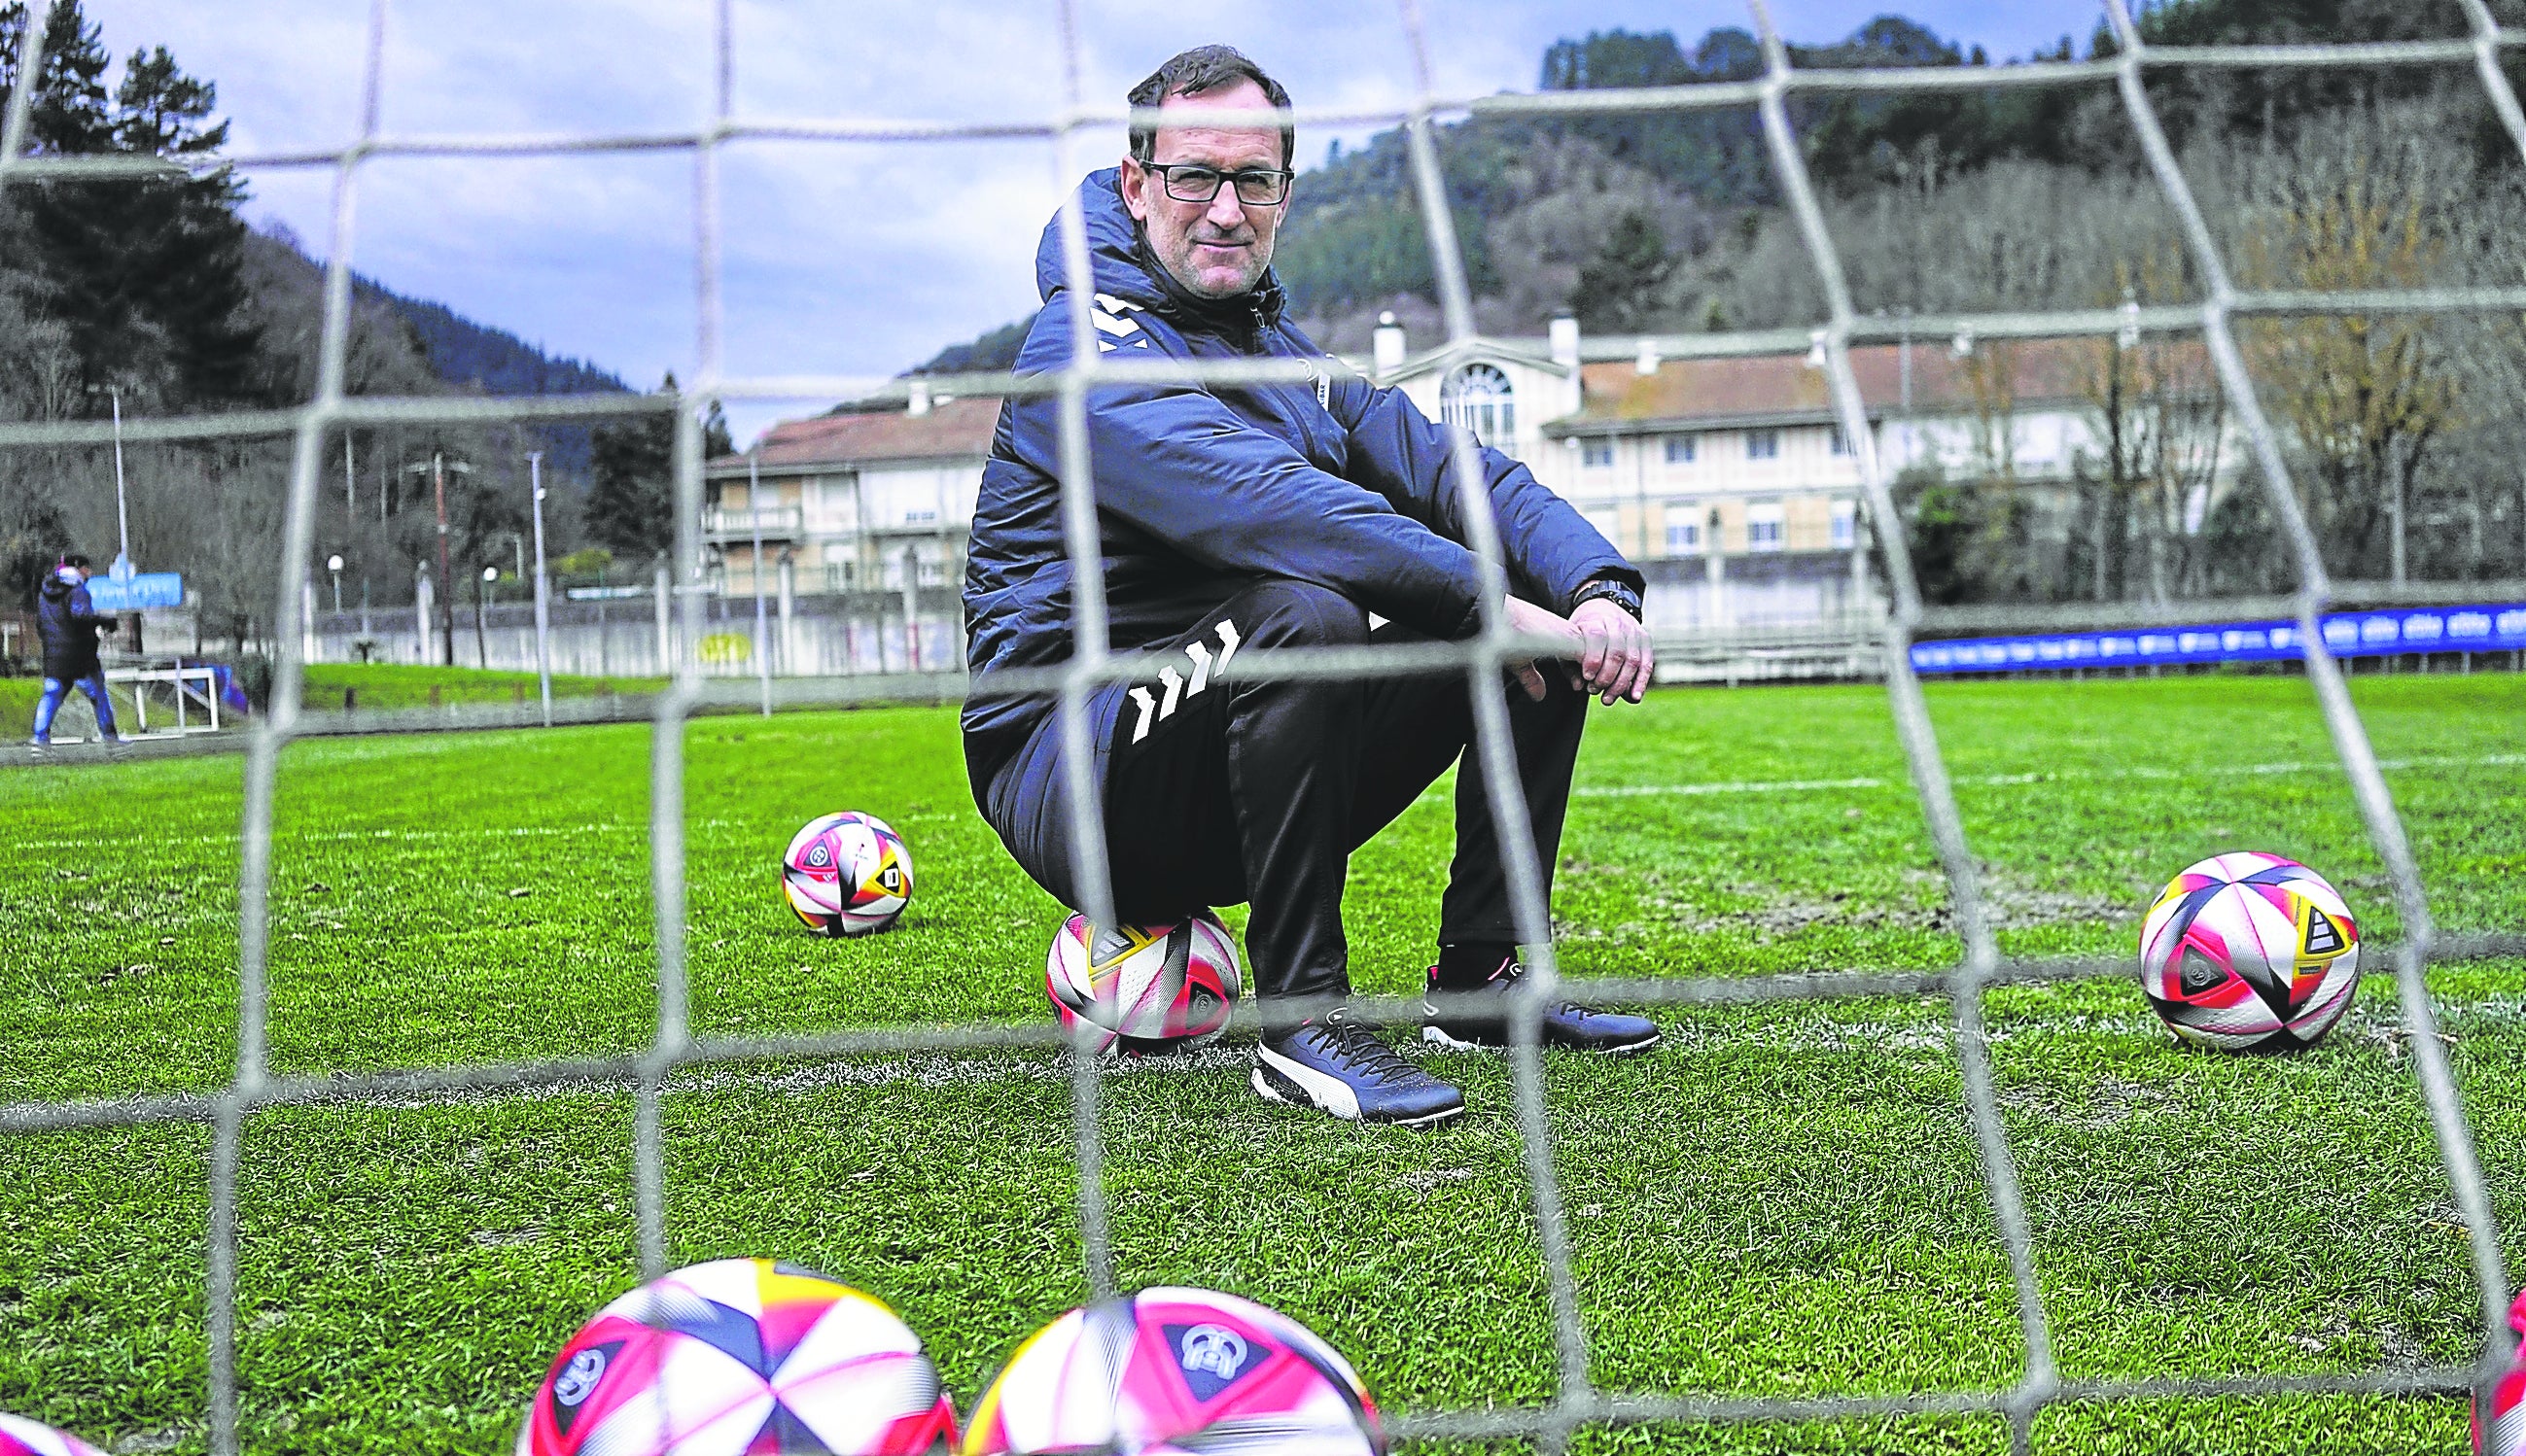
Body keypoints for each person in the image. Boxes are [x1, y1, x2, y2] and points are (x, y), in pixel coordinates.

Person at [961, 46, 1657, 1128]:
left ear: (1287, 193)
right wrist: (1486, 608)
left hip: (1236, 747)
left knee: (1541, 618)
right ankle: (1303, 1024)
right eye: (1196, 176)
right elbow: (1271, 504)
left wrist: (1596, 589)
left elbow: (1451, 470)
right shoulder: (1082, 345)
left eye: (1256, 180)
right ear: (1138, 186)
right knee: (1312, 608)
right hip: (1074, 764)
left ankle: (1479, 979)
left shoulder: (1284, 356)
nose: (1226, 208)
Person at [32, 553, 120, 746]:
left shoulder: (44, 593)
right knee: (98, 695)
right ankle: (111, 739)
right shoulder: (77, 590)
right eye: (87, 568)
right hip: (80, 657)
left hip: (54, 656)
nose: (89, 573)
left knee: (51, 695)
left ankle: (39, 740)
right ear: (78, 567)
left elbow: (40, 624)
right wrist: (104, 621)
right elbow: (80, 616)